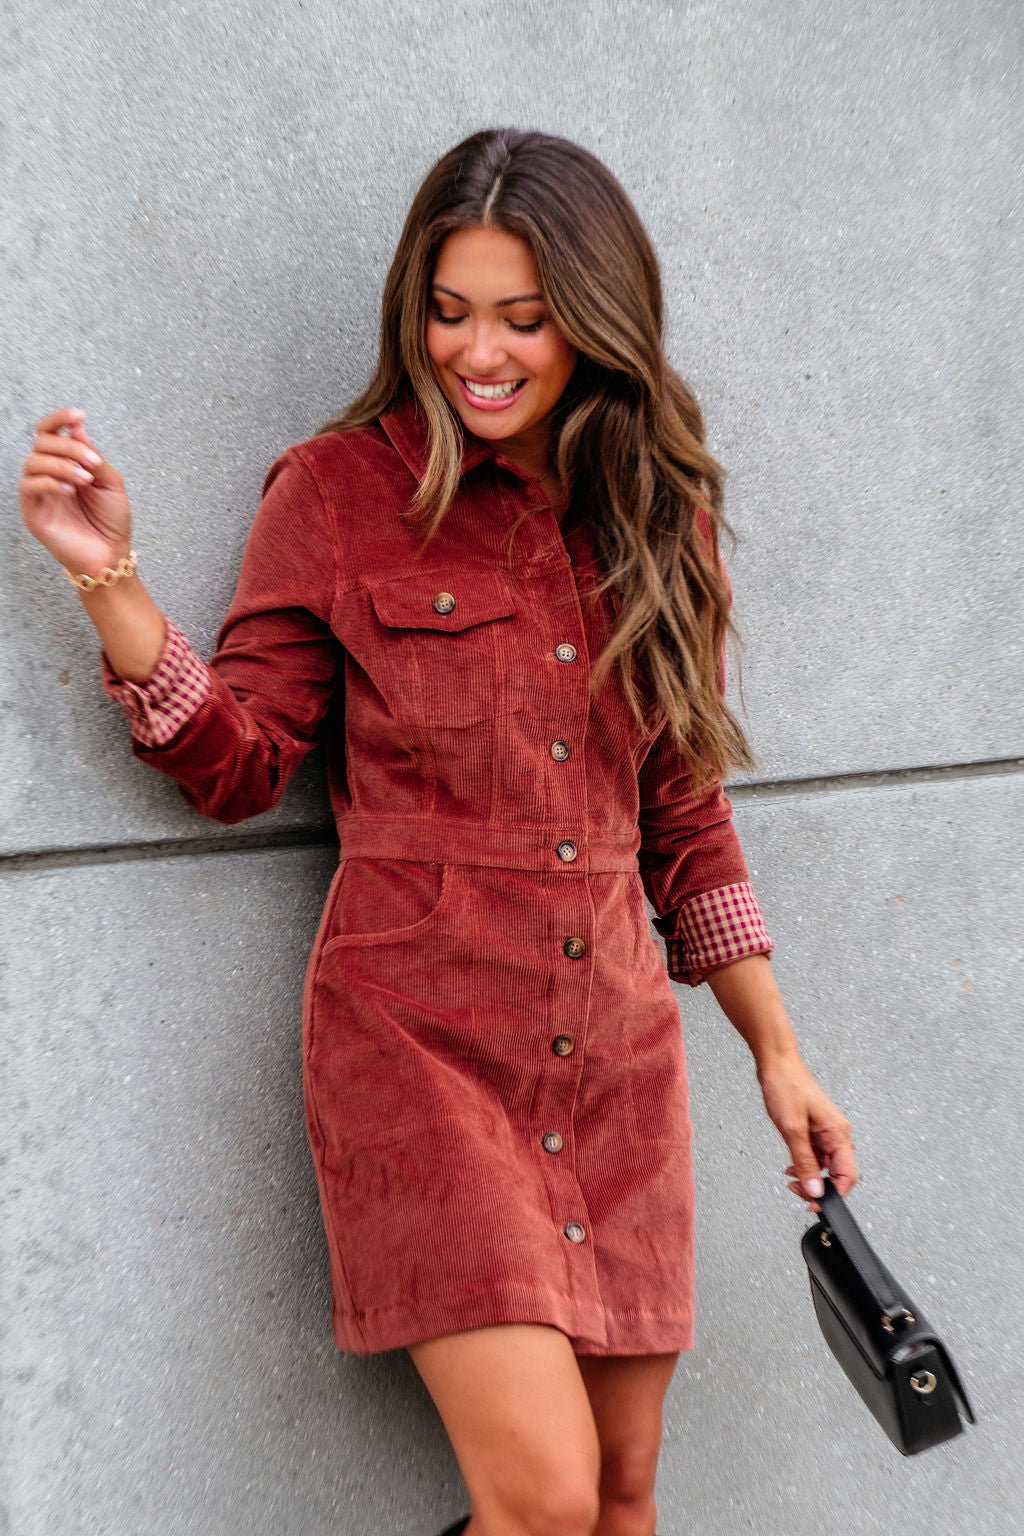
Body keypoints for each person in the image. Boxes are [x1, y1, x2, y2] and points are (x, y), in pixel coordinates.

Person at [19, 127, 857, 1536]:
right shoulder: (337, 492)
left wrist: (779, 1056)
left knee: (626, 1500)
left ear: (595, 321)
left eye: (525, 320)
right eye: (451, 309)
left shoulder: (660, 521)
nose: (481, 351)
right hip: (420, 1054)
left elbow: (684, 821)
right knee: (542, 1500)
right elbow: (239, 763)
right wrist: (112, 582)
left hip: (616, 1056)